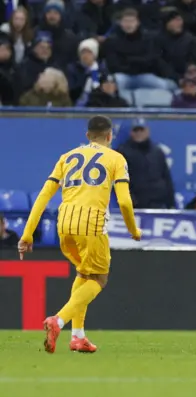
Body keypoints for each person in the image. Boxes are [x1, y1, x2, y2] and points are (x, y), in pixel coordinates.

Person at [17, 115, 141, 354]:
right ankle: (59, 321)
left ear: (87, 136)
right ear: (110, 135)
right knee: (99, 279)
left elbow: (44, 195)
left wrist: (28, 233)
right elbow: (124, 202)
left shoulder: (67, 157)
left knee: (84, 273)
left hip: (64, 222)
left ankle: (78, 336)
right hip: (91, 223)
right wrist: (133, 230)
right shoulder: (116, 158)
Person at [117, 118, 176, 209]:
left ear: (147, 131)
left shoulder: (157, 151)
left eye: (142, 130)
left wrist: (171, 203)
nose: (139, 133)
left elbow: (166, 177)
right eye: (136, 130)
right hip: (137, 205)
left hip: (159, 204)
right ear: (131, 133)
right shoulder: (123, 152)